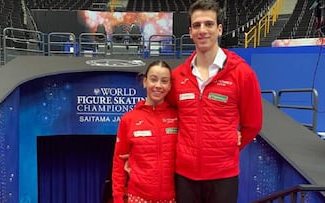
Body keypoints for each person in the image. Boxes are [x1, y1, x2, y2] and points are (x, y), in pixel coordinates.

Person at [167, 0, 263, 202]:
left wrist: (227, 147)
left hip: (223, 176)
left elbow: (252, 124)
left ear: (219, 29)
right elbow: (168, 115)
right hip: (184, 176)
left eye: (208, 24)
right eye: (197, 25)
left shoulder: (242, 74)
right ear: (190, 32)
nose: (202, 30)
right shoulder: (178, 77)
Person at [112, 60, 178, 203]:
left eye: (164, 81)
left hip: (172, 198)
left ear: (170, 86)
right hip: (138, 198)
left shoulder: (178, 117)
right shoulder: (129, 119)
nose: (158, 86)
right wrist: (118, 198)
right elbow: (119, 163)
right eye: (153, 79)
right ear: (145, 82)